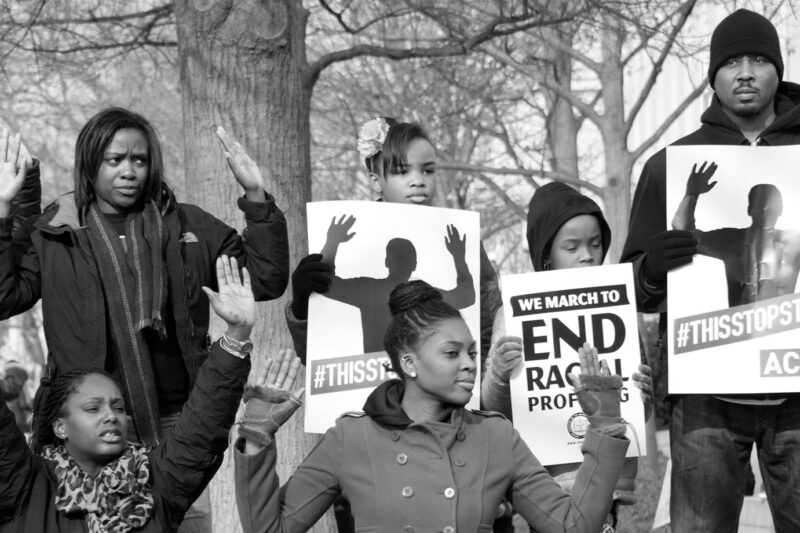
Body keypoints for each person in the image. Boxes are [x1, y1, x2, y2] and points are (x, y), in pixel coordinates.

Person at [234, 280, 630, 533]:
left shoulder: (495, 435)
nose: (471, 363)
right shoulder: (351, 438)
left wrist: (605, 427)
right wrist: (255, 436)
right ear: (409, 363)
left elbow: (573, 527)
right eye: (452, 353)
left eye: (473, 352)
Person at [0, 109, 289, 447]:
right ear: (91, 164)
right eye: (115, 159)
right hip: (86, 420)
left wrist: (255, 196)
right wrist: (4, 207)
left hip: (178, 418)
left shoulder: (190, 227)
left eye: (139, 160)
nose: (128, 171)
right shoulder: (57, 231)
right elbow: (6, 297)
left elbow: (265, 278)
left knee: (166, 500)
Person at [620, 9, 800, 531]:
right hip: (705, 398)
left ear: (779, 69)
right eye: (732, 61)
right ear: (713, 75)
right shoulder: (668, 167)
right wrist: (655, 264)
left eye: (760, 59)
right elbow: (635, 285)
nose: (745, 72)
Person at [0, 255, 256, 532]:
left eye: (119, 408)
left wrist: (237, 335)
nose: (111, 416)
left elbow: (202, 432)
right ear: (61, 426)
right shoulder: (26, 486)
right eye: (93, 408)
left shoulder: (157, 480)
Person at [482, 182, 653, 532]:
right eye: (571, 246)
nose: (587, 254)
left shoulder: (619, 307)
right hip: (543, 482)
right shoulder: (513, 314)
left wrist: (644, 394)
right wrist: (499, 373)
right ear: (547, 254)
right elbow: (493, 408)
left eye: (595, 243)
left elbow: (635, 409)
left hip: (607, 480)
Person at [287, 117, 501, 365]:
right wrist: (302, 302)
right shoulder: (366, 279)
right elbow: (317, 348)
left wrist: (482, 385)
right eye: (401, 171)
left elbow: (485, 319)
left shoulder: (460, 242)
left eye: (428, 170)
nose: (418, 180)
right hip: (366, 400)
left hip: (442, 398)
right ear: (376, 180)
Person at [312, 214, 475, 353]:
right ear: (414, 264)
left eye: (405, 258)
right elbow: (466, 296)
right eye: (400, 257)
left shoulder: (370, 290)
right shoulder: (423, 295)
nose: (402, 262)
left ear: (387, 261)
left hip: (381, 378)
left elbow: (325, 283)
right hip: (408, 378)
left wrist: (333, 242)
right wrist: (458, 257)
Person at [671, 162, 800, 306]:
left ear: (780, 210)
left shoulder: (794, 243)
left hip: (783, 325)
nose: (764, 213)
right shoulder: (731, 239)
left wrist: (692, 193)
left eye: (769, 209)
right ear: (749, 210)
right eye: (759, 208)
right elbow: (682, 236)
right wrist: (692, 193)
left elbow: (682, 234)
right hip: (739, 324)